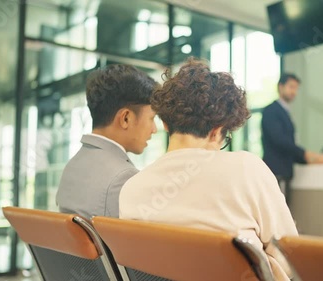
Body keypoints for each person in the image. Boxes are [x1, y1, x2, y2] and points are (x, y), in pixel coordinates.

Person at [119, 58, 298, 281]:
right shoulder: (247, 169)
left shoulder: (131, 190)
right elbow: (291, 258)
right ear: (216, 132)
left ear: (165, 124)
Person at [56, 64, 158, 219]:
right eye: (151, 118)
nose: (154, 129)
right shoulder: (123, 178)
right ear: (126, 118)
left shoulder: (72, 166)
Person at [261, 74, 323, 206]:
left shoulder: (285, 112)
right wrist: (305, 153)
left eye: (296, 88)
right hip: (277, 172)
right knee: (277, 211)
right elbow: (279, 140)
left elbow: (288, 146)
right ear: (281, 87)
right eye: (291, 87)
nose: (294, 92)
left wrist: (306, 159)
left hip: (285, 172)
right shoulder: (271, 111)